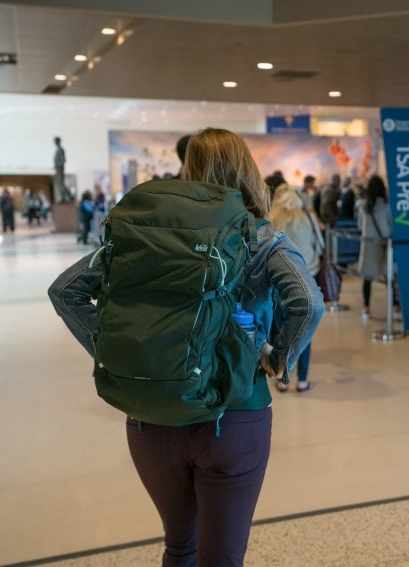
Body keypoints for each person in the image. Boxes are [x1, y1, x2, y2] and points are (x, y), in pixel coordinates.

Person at [48, 127, 324, 567]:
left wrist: (114, 348)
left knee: (181, 549)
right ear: (249, 171)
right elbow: (308, 303)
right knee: (222, 559)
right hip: (235, 414)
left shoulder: (147, 234)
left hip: (152, 414)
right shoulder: (260, 236)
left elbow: (66, 291)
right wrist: (277, 358)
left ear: (187, 170)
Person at [267, 187, 321, 393]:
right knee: (304, 331)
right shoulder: (306, 219)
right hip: (307, 278)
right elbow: (317, 246)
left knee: (280, 329)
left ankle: (281, 378)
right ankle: (303, 380)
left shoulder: (273, 218)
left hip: (279, 283)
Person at [357, 175, 393, 319]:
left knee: (367, 278)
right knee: (389, 276)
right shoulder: (388, 206)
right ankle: (394, 306)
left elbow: (360, 225)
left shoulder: (363, 206)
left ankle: (366, 308)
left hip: (368, 244)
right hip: (384, 244)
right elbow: (391, 226)